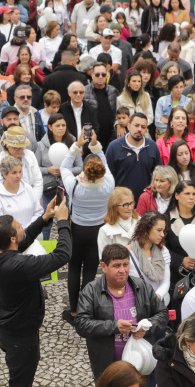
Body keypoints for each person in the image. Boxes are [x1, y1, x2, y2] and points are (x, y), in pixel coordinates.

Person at [0, 197, 71, 387]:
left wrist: (45, 218)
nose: (23, 226)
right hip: (20, 335)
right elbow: (63, 254)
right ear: (11, 238)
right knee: (19, 384)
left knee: (20, 378)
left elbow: (22, 242)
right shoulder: (19, 265)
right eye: (19, 226)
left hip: (12, 328)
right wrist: (63, 222)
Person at [74, 243, 168, 380]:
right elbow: (81, 324)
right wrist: (114, 326)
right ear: (103, 266)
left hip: (140, 365)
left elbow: (162, 314)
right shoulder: (91, 291)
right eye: (117, 265)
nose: (122, 270)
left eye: (125, 264)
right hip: (107, 367)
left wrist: (147, 327)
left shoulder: (141, 286)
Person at [59, 131, 115, 324]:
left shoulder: (75, 185)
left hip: (77, 229)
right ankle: (86, 311)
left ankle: (74, 311)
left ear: (84, 169)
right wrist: (95, 145)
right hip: (98, 230)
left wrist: (76, 146)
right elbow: (105, 162)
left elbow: (64, 166)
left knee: (74, 269)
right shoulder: (108, 185)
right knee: (90, 271)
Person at [106, 113, 162, 202]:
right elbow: (108, 177)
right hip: (121, 202)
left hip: (146, 201)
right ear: (128, 126)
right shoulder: (114, 147)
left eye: (143, 127)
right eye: (136, 125)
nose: (139, 129)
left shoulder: (152, 146)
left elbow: (158, 174)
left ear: (146, 129)